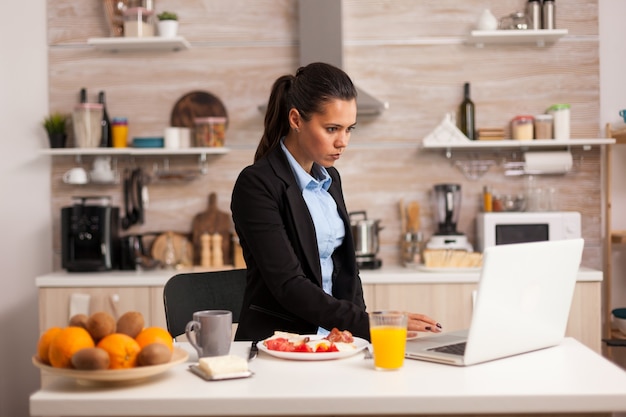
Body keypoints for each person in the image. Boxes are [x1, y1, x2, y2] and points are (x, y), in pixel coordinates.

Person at [231, 62, 441, 342]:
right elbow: (288, 285)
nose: (343, 142)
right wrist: (371, 324)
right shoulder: (257, 184)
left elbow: (347, 272)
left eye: (349, 129)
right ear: (296, 120)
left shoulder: (330, 179)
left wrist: (364, 336)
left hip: (333, 340)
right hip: (279, 344)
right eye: (332, 129)